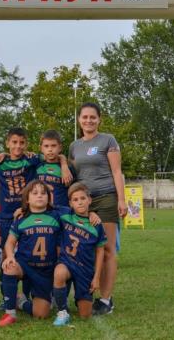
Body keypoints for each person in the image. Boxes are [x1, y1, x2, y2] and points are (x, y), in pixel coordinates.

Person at [69, 102, 126, 315]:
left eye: (93, 117)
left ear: (99, 119)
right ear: (79, 120)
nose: (89, 120)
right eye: (85, 117)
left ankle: (106, 299)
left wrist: (121, 200)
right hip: (84, 203)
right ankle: (88, 293)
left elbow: (117, 171)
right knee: (90, 250)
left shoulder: (108, 140)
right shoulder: (74, 146)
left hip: (106, 199)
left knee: (108, 249)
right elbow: (73, 173)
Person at [0, 180, 61, 326]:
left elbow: (76, 210)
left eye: (43, 193)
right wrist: (10, 256)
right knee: (9, 267)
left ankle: (21, 302)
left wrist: (91, 214)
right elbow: (9, 242)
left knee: (41, 315)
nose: (39, 196)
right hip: (24, 265)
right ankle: (10, 313)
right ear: (27, 199)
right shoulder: (21, 219)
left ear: (49, 198)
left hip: (45, 270)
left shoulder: (57, 216)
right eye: (35, 193)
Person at [52, 183, 106, 326]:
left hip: (85, 269)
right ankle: (62, 311)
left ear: (89, 200)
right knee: (59, 272)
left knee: (85, 315)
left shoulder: (96, 224)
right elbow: (45, 206)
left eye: (83, 198)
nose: (80, 202)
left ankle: (81, 300)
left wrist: (96, 277)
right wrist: (23, 209)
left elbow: (100, 251)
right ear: (70, 203)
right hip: (67, 262)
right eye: (75, 200)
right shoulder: (65, 214)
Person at [35, 130, 73, 208]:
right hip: (43, 209)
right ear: (41, 148)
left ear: (60, 147)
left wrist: (64, 164)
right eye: (46, 146)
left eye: (53, 145)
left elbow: (72, 189)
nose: (50, 149)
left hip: (61, 209)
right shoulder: (36, 165)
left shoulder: (67, 168)